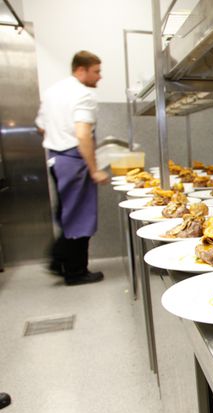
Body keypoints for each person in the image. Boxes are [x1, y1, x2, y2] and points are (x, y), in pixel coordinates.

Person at [36, 50, 109, 285]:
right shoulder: (83, 94)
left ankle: (60, 261)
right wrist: (94, 169)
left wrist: (58, 138)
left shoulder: (52, 92)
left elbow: (40, 127)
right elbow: (83, 134)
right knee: (80, 216)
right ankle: (75, 271)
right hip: (75, 161)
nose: (99, 77)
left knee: (67, 213)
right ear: (81, 70)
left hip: (56, 160)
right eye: (96, 71)